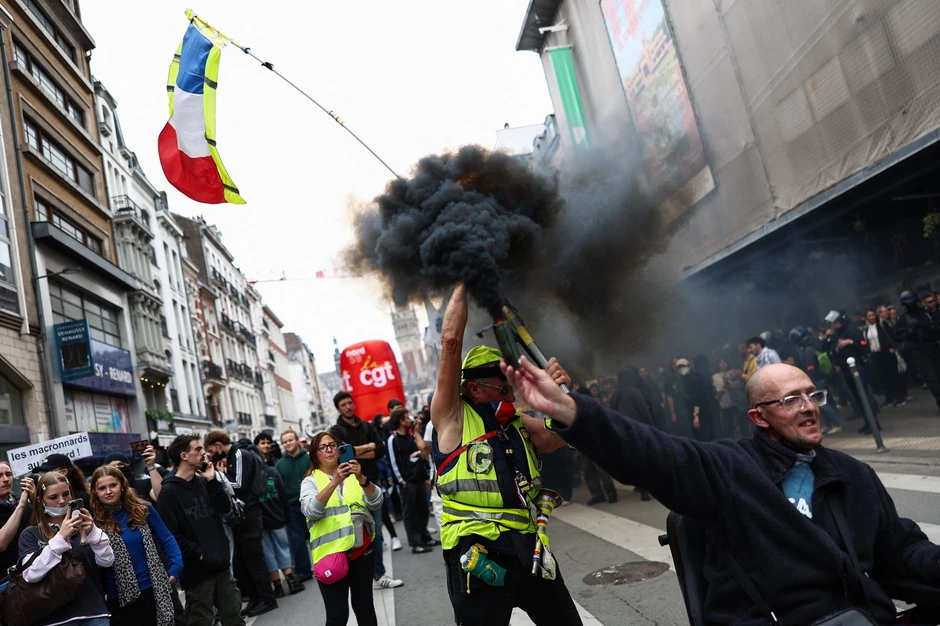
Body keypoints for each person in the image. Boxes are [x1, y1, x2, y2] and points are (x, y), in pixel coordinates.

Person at [505, 356, 940, 624]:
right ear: (758, 417)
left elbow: (900, 550)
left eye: (813, 395)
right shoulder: (732, 468)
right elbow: (654, 455)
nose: (808, 407)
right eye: (790, 400)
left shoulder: (853, 474)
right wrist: (572, 412)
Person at [430, 283, 582, 626]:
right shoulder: (452, 417)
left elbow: (555, 438)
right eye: (503, 388)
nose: (511, 396)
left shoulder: (515, 422)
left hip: (528, 547)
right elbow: (451, 341)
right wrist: (465, 279)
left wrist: (561, 402)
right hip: (477, 553)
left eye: (511, 387)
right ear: (474, 388)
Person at [158, 434, 246, 625]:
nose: (203, 453)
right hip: (197, 572)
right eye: (198, 449)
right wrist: (197, 553)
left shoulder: (204, 481)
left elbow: (225, 508)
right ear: (184, 456)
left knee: (234, 616)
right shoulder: (169, 492)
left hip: (221, 564)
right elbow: (169, 533)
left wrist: (212, 480)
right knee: (201, 620)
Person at [301, 431, 383, 626]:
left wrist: (362, 479)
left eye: (332, 445)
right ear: (315, 454)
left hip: (362, 552)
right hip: (331, 557)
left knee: (365, 608)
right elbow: (311, 511)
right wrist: (335, 481)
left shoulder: (354, 475)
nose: (329, 450)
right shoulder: (310, 481)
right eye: (323, 447)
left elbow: (377, 501)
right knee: (337, 616)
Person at [18, 471, 114, 626]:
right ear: (40, 500)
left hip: (93, 613)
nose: (62, 501)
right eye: (53, 497)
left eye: (65, 494)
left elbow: (107, 561)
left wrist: (94, 533)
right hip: (55, 619)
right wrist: (60, 538)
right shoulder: (31, 534)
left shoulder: (83, 526)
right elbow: (30, 574)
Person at [89, 465, 182, 626]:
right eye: (102, 488)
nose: (108, 491)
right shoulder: (92, 522)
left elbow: (166, 538)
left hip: (152, 588)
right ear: (95, 492)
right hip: (117, 597)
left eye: (113, 485)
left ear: (122, 485)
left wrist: (176, 565)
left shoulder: (142, 509)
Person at [329, 391, 402, 590]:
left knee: (375, 531)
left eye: (350, 403)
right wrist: (366, 447)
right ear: (338, 408)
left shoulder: (366, 426)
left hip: (370, 481)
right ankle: (359, 576)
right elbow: (342, 454)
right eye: (343, 405)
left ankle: (379, 574)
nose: (348, 407)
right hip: (348, 486)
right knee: (354, 533)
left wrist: (355, 450)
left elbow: (379, 449)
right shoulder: (336, 430)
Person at [204, 431, 278, 616]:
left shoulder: (239, 454)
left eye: (211, 449)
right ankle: (255, 599)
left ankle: (267, 598)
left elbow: (239, 485)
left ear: (218, 444)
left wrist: (220, 476)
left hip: (249, 513)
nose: (211, 454)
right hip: (243, 514)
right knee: (246, 560)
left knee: (254, 558)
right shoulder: (233, 455)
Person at [386, 406, 436, 553]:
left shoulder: (411, 436)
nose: (410, 420)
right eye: (407, 418)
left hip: (419, 478)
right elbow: (393, 462)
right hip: (407, 482)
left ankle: (425, 537)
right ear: (401, 421)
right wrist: (402, 481)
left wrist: (426, 476)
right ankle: (415, 543)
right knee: (410, 513)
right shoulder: (393, 439)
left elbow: (423, 455)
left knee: (423, 510)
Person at [258, 455, 306, 597]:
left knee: (268, 553)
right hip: (277, 516)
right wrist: (286, 514)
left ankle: (277, 585)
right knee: (283, 548)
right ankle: (290, 580)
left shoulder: (248, 475)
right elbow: (282, 493)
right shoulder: (272, 471)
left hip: (261, 520)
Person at [276, 428, 314, 582]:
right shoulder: (279, 465)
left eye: (290, 440)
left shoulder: (310, 458)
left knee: (316, 536)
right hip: (292, 507)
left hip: (312, 503)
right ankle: (304, 571)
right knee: (297, 541)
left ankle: (326, 564)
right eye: (285, 442)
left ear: (297, 440)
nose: (288, 443)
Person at [610, 368, 654, 500]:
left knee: (633, 460)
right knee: (644, 459)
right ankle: (646, 490)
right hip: (638, 429)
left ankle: (639, 485)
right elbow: (643, 411)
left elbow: (613, 412)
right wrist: (651, 426)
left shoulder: (615, 394)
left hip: (623, 431)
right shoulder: (634, 391)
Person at [789, 327, 841, 436]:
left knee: (823, 404)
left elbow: (810, 368)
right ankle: (828, 425)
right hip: (821, 378)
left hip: (816, 380)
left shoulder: (807, 351)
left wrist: (808, 382)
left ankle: (835, 424)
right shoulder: (812, 347)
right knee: (820, 403)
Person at [894, 290, 940, 412]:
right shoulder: (903, 319)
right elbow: (897, 336)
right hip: (919, 351)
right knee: (931, 378)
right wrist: (909, 332)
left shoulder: (927, 313)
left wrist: (931, 328)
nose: (911, 305)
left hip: (933, 346)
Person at [863, 309, 906, 407]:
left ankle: (900, 397)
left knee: (893, 375)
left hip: (886, 352)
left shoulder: (882, 325)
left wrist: (892, 347)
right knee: (883, 377)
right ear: (866, 318)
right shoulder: (866, 329)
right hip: (875, 354)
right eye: (869, 316)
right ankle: (889, 398)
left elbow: (892, 335)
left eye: (873, 315)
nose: (872, 317)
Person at [0, 462, 33, 576]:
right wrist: (21, 506)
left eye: (8, 474)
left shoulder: (19, 503)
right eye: (0, 476)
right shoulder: (21, 505)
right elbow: (1, 544)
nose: (6, 479)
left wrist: (35, 501)